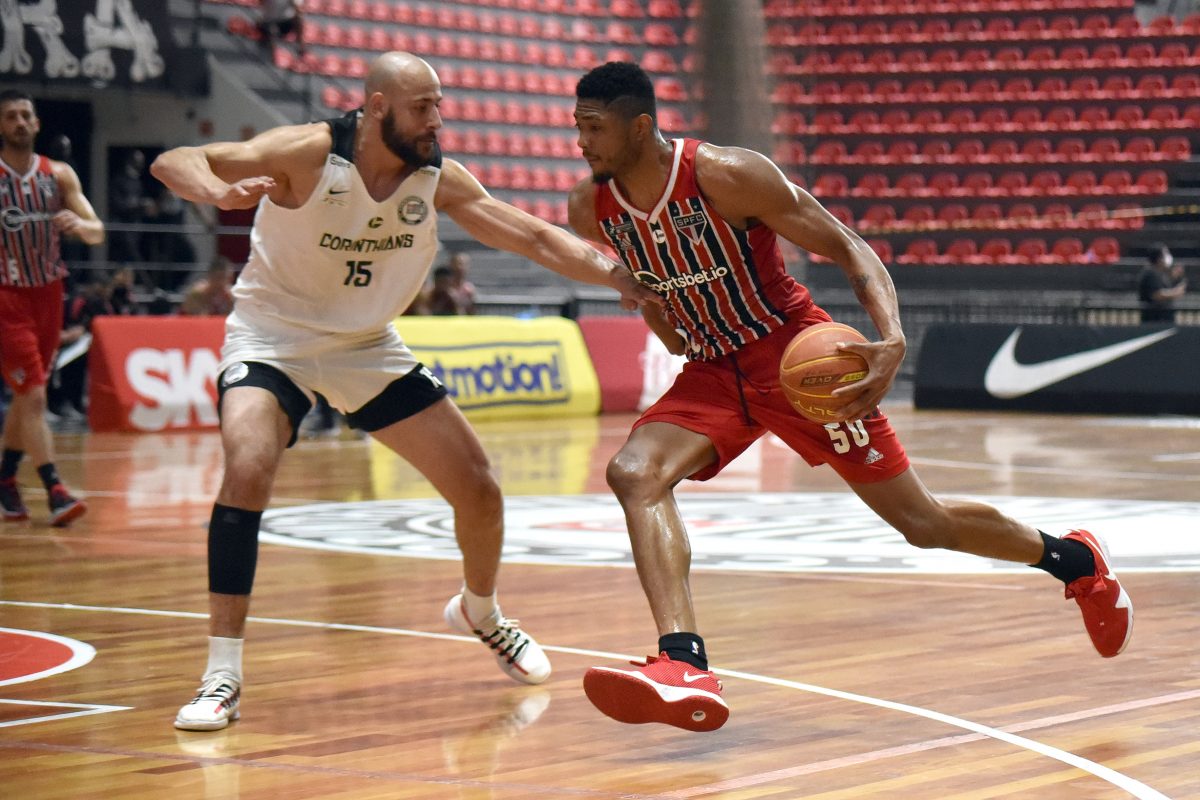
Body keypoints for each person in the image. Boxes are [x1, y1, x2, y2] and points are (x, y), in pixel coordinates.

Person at [566, 62, 1132, 733]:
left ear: (639, 126)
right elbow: (656, 288)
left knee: (923, 524)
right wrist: (657, 310)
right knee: (634, 473)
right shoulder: (590, 208)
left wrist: (891, 338)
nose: (582, 143)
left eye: (594, 128)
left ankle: (1075, 560)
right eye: (578, 128)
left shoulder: (727, 175)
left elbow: (848, 246)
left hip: (794, 358)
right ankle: (684, 662)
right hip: (715, 370)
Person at [150, 52, 658, 732]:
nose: (437, 120)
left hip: (366, 346)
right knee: (247, 465)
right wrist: (216, 192)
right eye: (423, 107)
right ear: (378, 107)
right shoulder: (307, 153)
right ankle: (222, 674)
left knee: (479, 487)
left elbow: (535, 237)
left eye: (439, 105)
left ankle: (480, 610)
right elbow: (176, 159)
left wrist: (617, 276)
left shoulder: (437, 178)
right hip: (273, 339)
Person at [0, 90, 103, 525]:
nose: (20, 122)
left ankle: (6, 479)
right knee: (35, 394)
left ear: (37, 123)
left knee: (28, 396)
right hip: (7, 296)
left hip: (49, 293)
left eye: (26, 115)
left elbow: (97, 230)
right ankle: (55, 489)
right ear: (1, 126)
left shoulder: (59, 175)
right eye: (11, 116)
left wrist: (80, 224)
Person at [1137, 244, 1186, 324]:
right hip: (1154, 320)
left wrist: (1174, 278)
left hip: (1163, 319)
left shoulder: (1159, 273)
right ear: (1159, 258)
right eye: (1166, 254)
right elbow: (1156, 294)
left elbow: (1163, 286)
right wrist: (1176, 292)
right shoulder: (1150, 273)